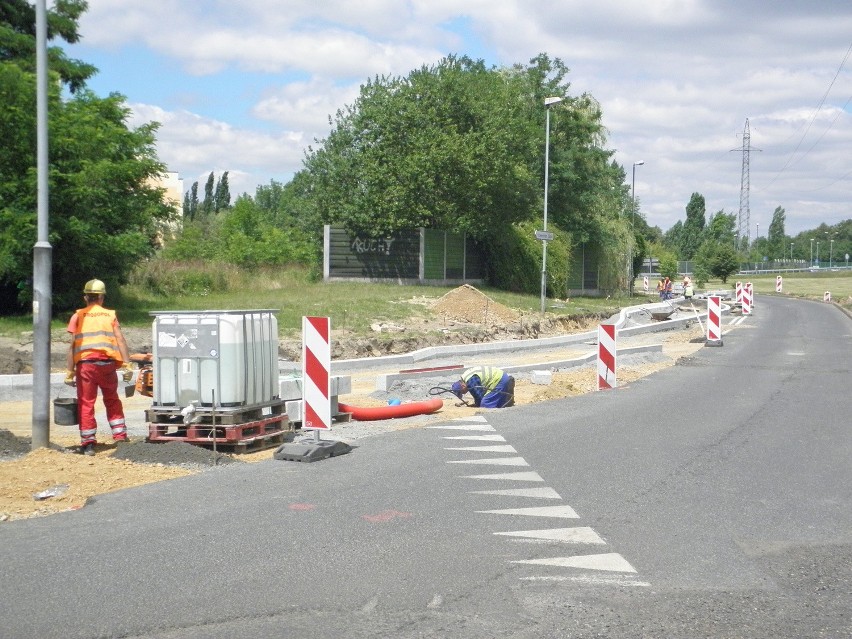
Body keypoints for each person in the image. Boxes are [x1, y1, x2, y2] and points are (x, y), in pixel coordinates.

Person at [64, 279, 134, 455]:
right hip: (107, 365)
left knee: (86, 403)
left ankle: (88, 443)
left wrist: (69, 371)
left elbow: (72, 346)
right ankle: (120, 437)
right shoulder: (110, 315)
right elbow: (120, 339)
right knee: (112, 399)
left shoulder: (77, 316)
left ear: (85, 297)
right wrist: (127, 363)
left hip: (86, 366)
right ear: (102, 297)